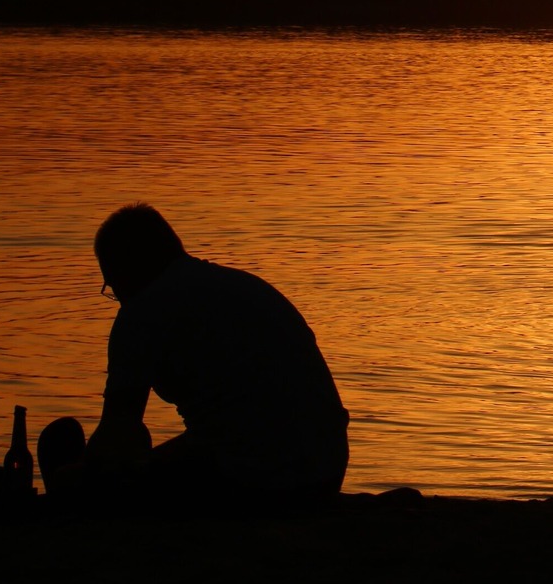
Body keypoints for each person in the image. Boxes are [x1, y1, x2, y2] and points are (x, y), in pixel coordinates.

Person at [43, 203, 348, 510]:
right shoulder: (241, 285)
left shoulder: (142, 311)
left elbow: (119, 432)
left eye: (112, 286)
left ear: (124, 269)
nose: (118, 298)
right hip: (326, 467)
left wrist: (81, 475)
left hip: (259, 477)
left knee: (81, 473)